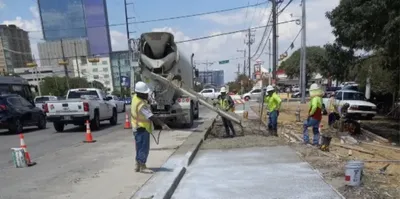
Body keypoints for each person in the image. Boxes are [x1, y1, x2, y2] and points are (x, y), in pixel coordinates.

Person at [131, 81, 171, 173]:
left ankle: (137, 165)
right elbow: (151, 116)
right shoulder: (141, 105)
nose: (146, 95)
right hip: (141, 128)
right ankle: (142, 166)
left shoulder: (135, 98)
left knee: (139, 147)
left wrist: (148, 100)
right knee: (144, 148)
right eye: (145, 94)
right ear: (140, 93)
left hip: (136, 127)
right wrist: (162, 124)